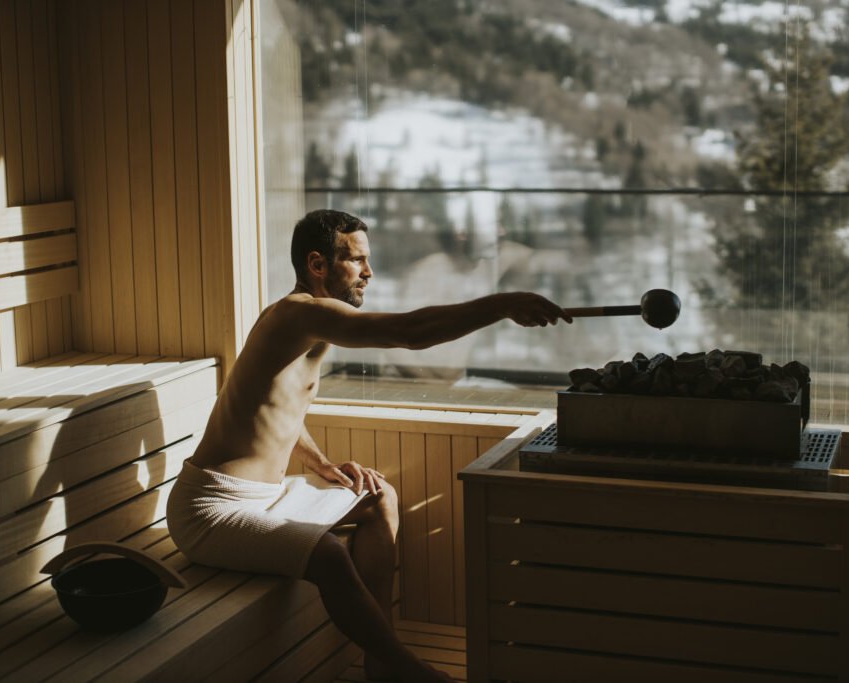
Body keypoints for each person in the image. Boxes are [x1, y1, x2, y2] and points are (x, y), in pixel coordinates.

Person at [167, 209, 571, 682]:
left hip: (266, 498)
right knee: (329, 554)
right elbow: (409, 332)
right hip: (212, 509)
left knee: (380, 496)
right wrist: (502, 304)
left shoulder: (307, 322)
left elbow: (273, 406)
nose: (369, 273)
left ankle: (380, 665)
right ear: (318, 265)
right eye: (357, 261)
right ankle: (407, 669)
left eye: (368, 261)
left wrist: (319, 462)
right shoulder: (299, 313)